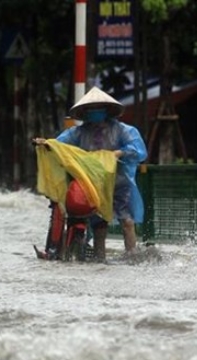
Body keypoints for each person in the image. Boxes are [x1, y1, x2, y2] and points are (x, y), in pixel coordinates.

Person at [35, 86, 148, 260]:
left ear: (107, 110)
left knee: (126, 221)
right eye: (91, 110)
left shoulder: (123, 130)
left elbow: (137, 149)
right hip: (92, 184)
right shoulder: (79, 132)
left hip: (118, 182)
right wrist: (46, 143)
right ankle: (99, 260)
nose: (95, 113)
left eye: (99, 110)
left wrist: (118, 153)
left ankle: (132, 258)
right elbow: (60, 145)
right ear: (85, 113)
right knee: (98, 224)